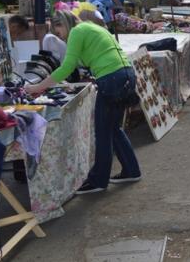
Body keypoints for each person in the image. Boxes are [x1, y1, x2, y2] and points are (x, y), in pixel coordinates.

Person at [25, 11, 141, 194]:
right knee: (113, 128)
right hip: (125, 74)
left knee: (103, 132)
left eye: (59, 33)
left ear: (62, 24)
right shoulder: (90, 26)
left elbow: (67, 66)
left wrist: (38, 87)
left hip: (111, 78)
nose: (60, 37)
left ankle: (98, 180)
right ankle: (131, 170)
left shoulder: (76, 32)